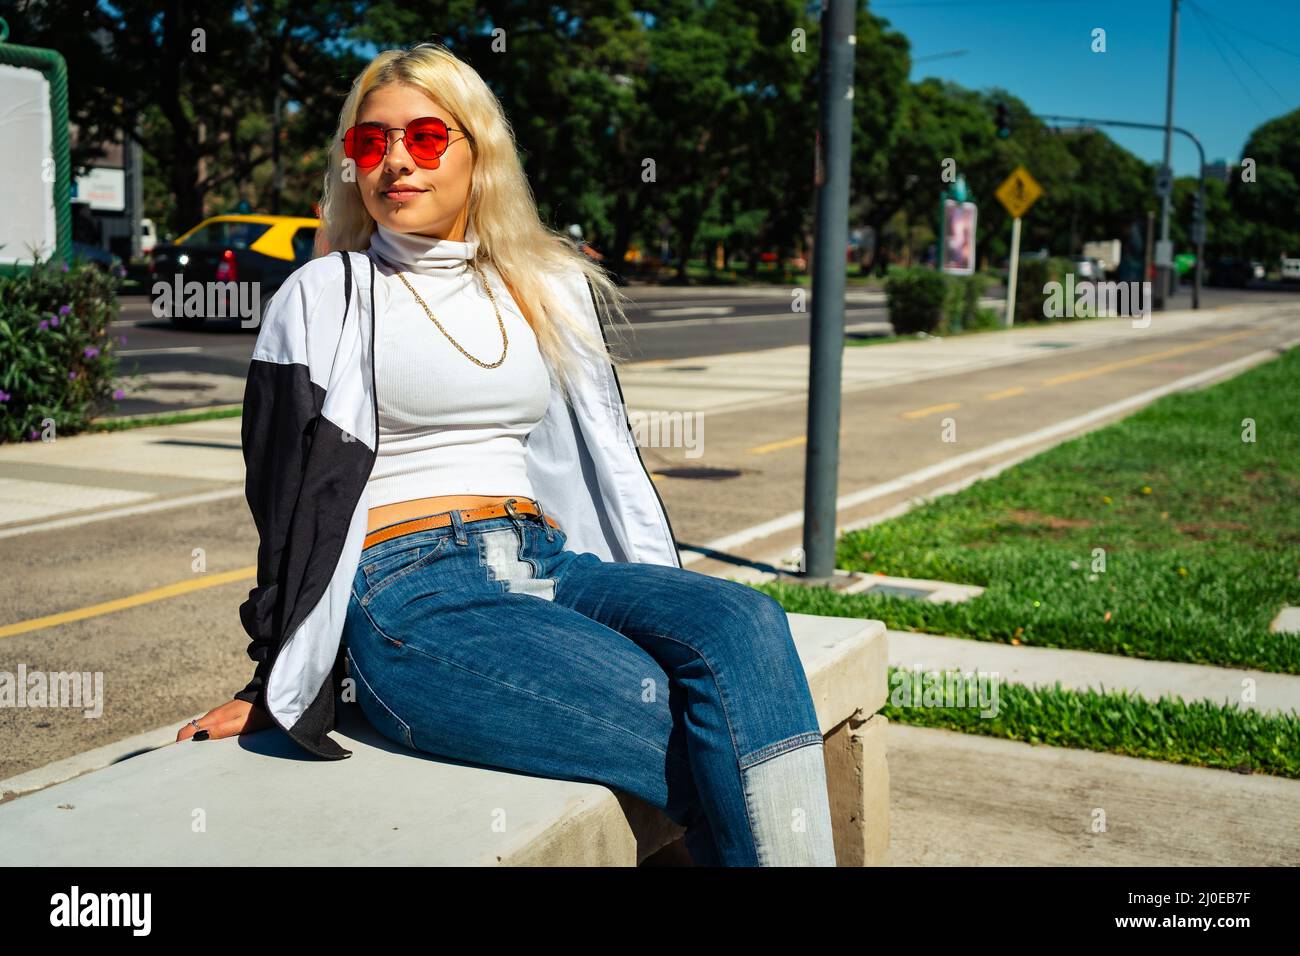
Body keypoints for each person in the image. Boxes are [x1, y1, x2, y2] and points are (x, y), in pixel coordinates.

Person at [178, 41, 836, 867]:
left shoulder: (544, 286)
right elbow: (282, 499)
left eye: (423, 138)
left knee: (744, 619)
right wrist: (272, 678)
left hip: (547, 560)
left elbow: (601, 459)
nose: (392, 163)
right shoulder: (326, 294)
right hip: (410, 591)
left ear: (477, 151)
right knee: (691, 728)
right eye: (369, 143)